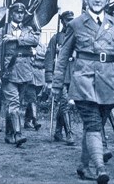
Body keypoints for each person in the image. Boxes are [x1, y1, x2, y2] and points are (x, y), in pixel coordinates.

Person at [52, 0, 114, 184]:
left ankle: (83, 165)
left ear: (107, 0)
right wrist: (56, 84)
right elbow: (63, 56)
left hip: (110, 82)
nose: (97, 0)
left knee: (96, 126)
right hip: (84, 82)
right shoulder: (76, 24)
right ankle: (100, 168)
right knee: (93, 125)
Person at [0, 2, 40, 146]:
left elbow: (35, 40)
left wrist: (16, 39)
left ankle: (9, 133)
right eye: (17, 12)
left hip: (25, 71)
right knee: (14, 102)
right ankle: (18, 134)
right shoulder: (3, 30)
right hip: (9, 71)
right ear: (11, 14)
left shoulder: (28, 29)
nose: (19, 15)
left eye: (22, 13)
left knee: (16, 104)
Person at [45, 10, 76, 145]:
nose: (69, 22)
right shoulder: (56, 38)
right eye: (67, 20)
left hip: (74, 75)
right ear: (62, 22)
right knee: (65, 103)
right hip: (61, 75)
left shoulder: (78, 36)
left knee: (66, 105)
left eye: (71, 20)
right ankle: (69, 133)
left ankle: (58, 131)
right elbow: (49, 57)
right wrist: (49, 78)